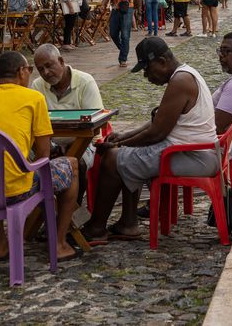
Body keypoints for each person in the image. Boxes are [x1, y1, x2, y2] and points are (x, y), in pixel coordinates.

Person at [80, 38, 219, 243]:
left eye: (147, 69)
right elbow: (158, 120)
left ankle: (97, 227)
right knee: (125, 156)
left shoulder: (180, 81)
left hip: (192, 156)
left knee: (112, 159)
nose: (146, 76)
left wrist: (119, 145)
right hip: (191, 151)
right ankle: (128, 223)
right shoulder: (185, 74)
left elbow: (157, 133)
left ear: (162, 61)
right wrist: (125, 137)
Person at [0, 51, 79, 262]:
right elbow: (44, 154)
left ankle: (1, 243)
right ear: (20, 72)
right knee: (72, 165)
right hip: (17, 191)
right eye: (29, 69)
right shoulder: (34, 98)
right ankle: (59, 243)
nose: (30, 74)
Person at [31, 44, 103, 171]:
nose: (46, 73)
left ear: (61, 61)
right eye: (40, 69)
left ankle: (78, 191)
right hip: (50, 143)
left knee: (77, 162)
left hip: (84, 142)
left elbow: (96, 123)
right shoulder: (37, 86)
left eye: (49, 66)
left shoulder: (85, 82)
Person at [102, 0, 142, 67]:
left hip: (127, 9)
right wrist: (103, 4)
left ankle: (123, 58)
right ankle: (123, 48)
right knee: (113, 33)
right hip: (115, 8)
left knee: (125, 34)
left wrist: (139, 9)